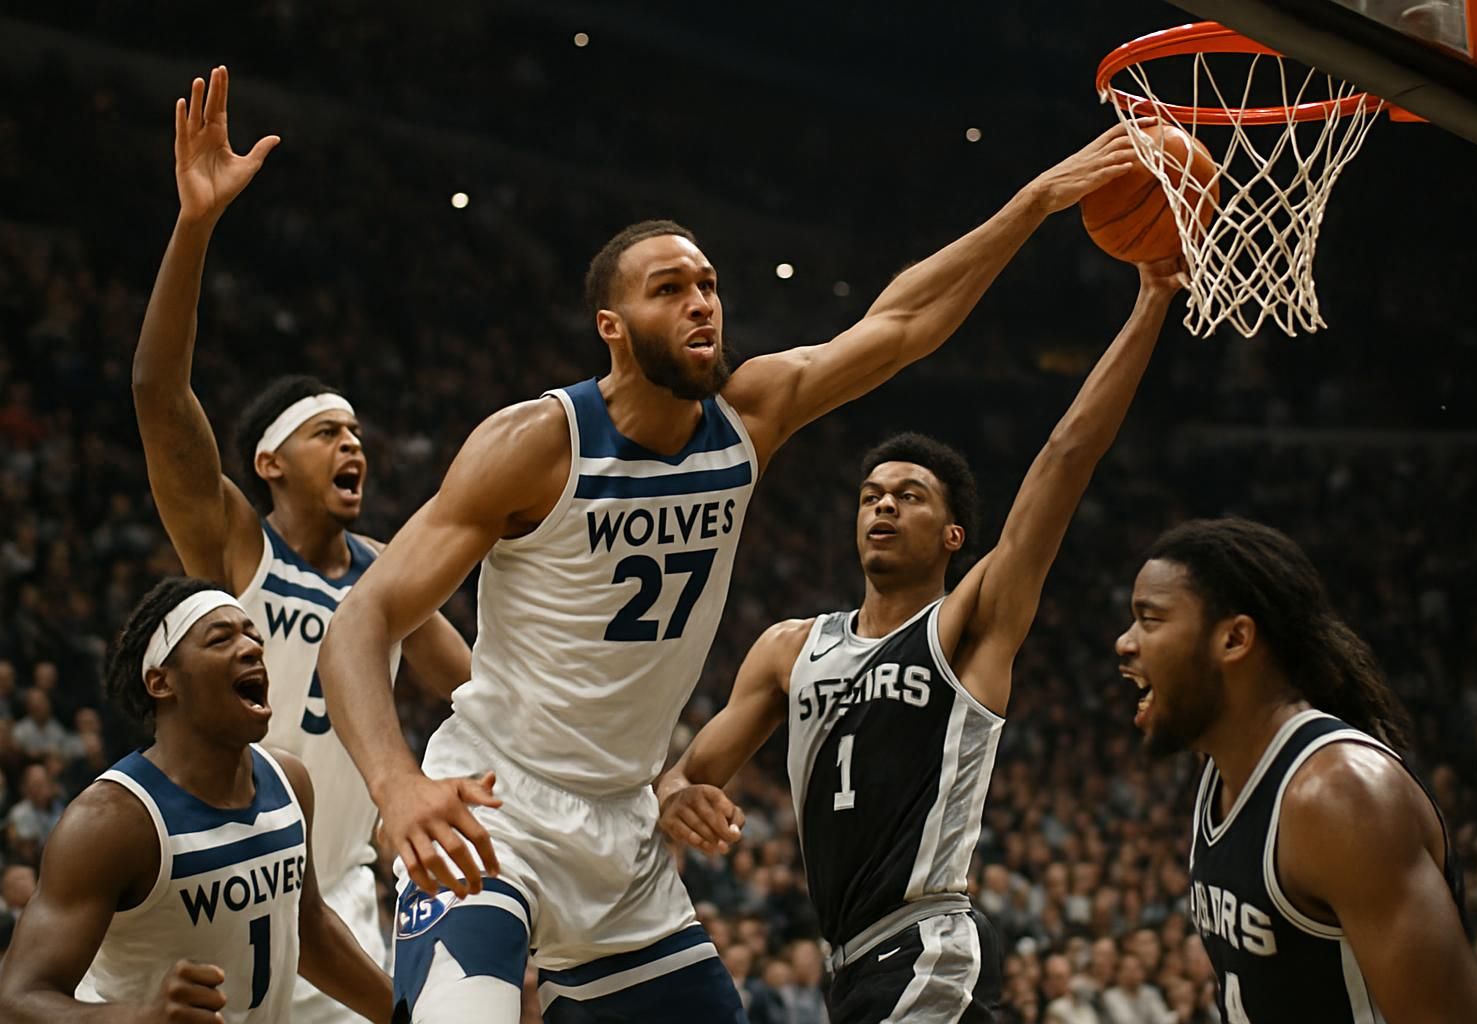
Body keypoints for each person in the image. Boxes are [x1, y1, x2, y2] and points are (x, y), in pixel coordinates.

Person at [318, 119, 1149, 1021]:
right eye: (668, 290)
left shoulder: (750, 419)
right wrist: (396, 783)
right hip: (497, 809)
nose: (701, 304)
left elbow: (903, 325)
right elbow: (362, 621)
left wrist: (1033, 204)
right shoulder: (536, 446)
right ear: (614, 328)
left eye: (708, 285)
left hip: (624, 833)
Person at [656, 261, 1182, 1021]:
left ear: (952, 535)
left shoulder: (967, 627)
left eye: (909, 497)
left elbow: (1067, 455)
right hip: (849, 966)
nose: (884, 508)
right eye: (871, 496)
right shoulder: (788, 649)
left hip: (928, 944)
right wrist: (678, 797)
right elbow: (688, 773)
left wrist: (1152, 301)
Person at [131, 67, 472, 1023]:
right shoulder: (237, 544)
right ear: (271, 461)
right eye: (330, 433)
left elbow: (485, 692)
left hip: (341, 902)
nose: (354, 444)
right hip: (217, 869)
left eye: (358, 433)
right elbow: (159, 395)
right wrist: (194, 224)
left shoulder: (391, 582)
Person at [1114, 517, 1477, 1023]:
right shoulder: (1223, 771)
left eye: (1151, 619)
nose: (1125, 642)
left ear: (1234, 639)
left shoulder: (1339, 796)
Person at [0, 577, 392, 1022]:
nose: (251, 648)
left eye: (252, 636)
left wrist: (404, 1013)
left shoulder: (290, 780)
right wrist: (141, 1018)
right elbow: (16, 1000)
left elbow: (311, 931)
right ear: (161, 682)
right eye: (221, 639)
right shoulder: (111, 822)